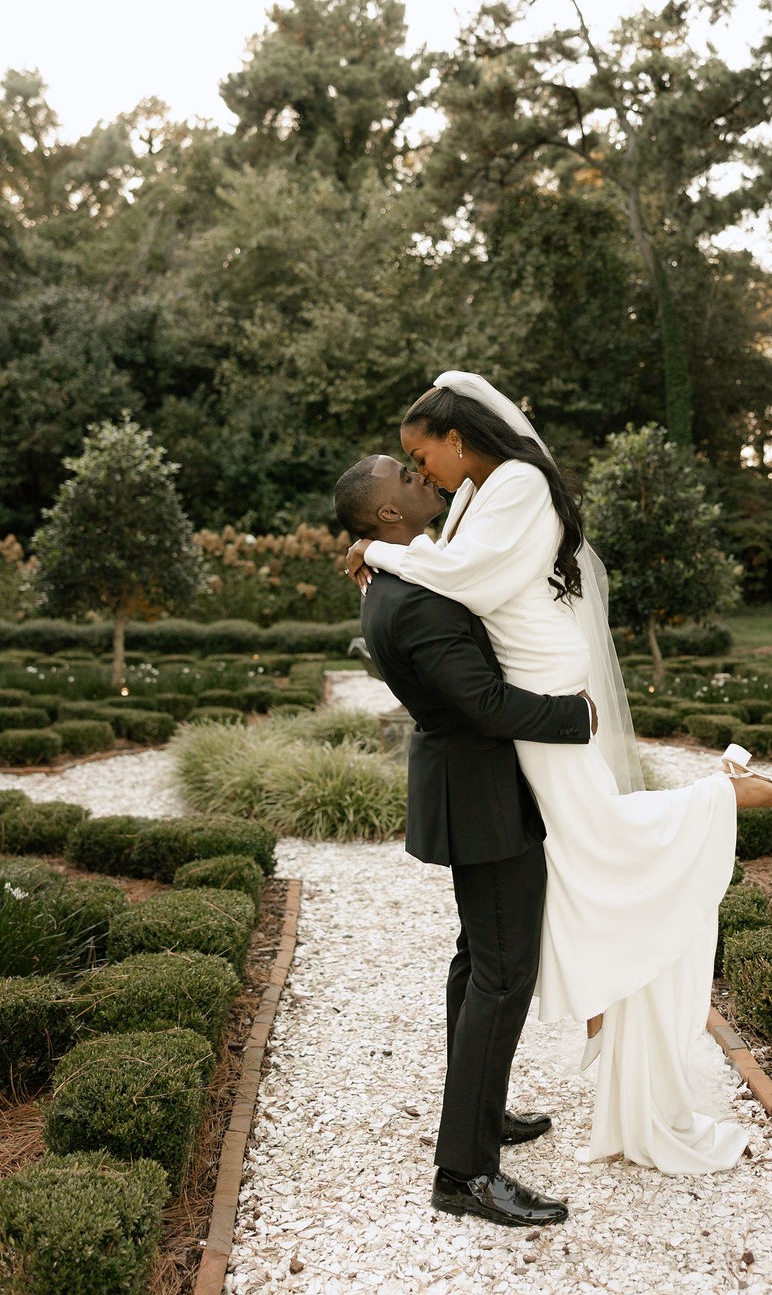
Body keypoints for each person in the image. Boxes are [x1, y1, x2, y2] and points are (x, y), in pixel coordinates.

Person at [346, 372, 772, 1175]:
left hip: (540, 692)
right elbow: (457, 580)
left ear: (457, 439)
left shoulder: (510, 485)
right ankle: (518, 1092)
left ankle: (713, 805)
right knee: (541, 900)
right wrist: (392, 550)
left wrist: (378, 549)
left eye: (422, 459)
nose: (424, 475)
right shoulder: (473, 496)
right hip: (526, 710)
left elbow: (467, 578)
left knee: (587, 845)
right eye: (410, 472)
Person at [333, 452, 599, 1228]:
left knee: (478, 958)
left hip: (471, 787)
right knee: (504, 974)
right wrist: (575, 717)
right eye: (406, 476)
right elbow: (484, 703)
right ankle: (465, 1173)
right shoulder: (414, 601)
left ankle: (478, 1108)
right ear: (388, 512)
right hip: (481, 795)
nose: (424, 478)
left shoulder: (400, 579)